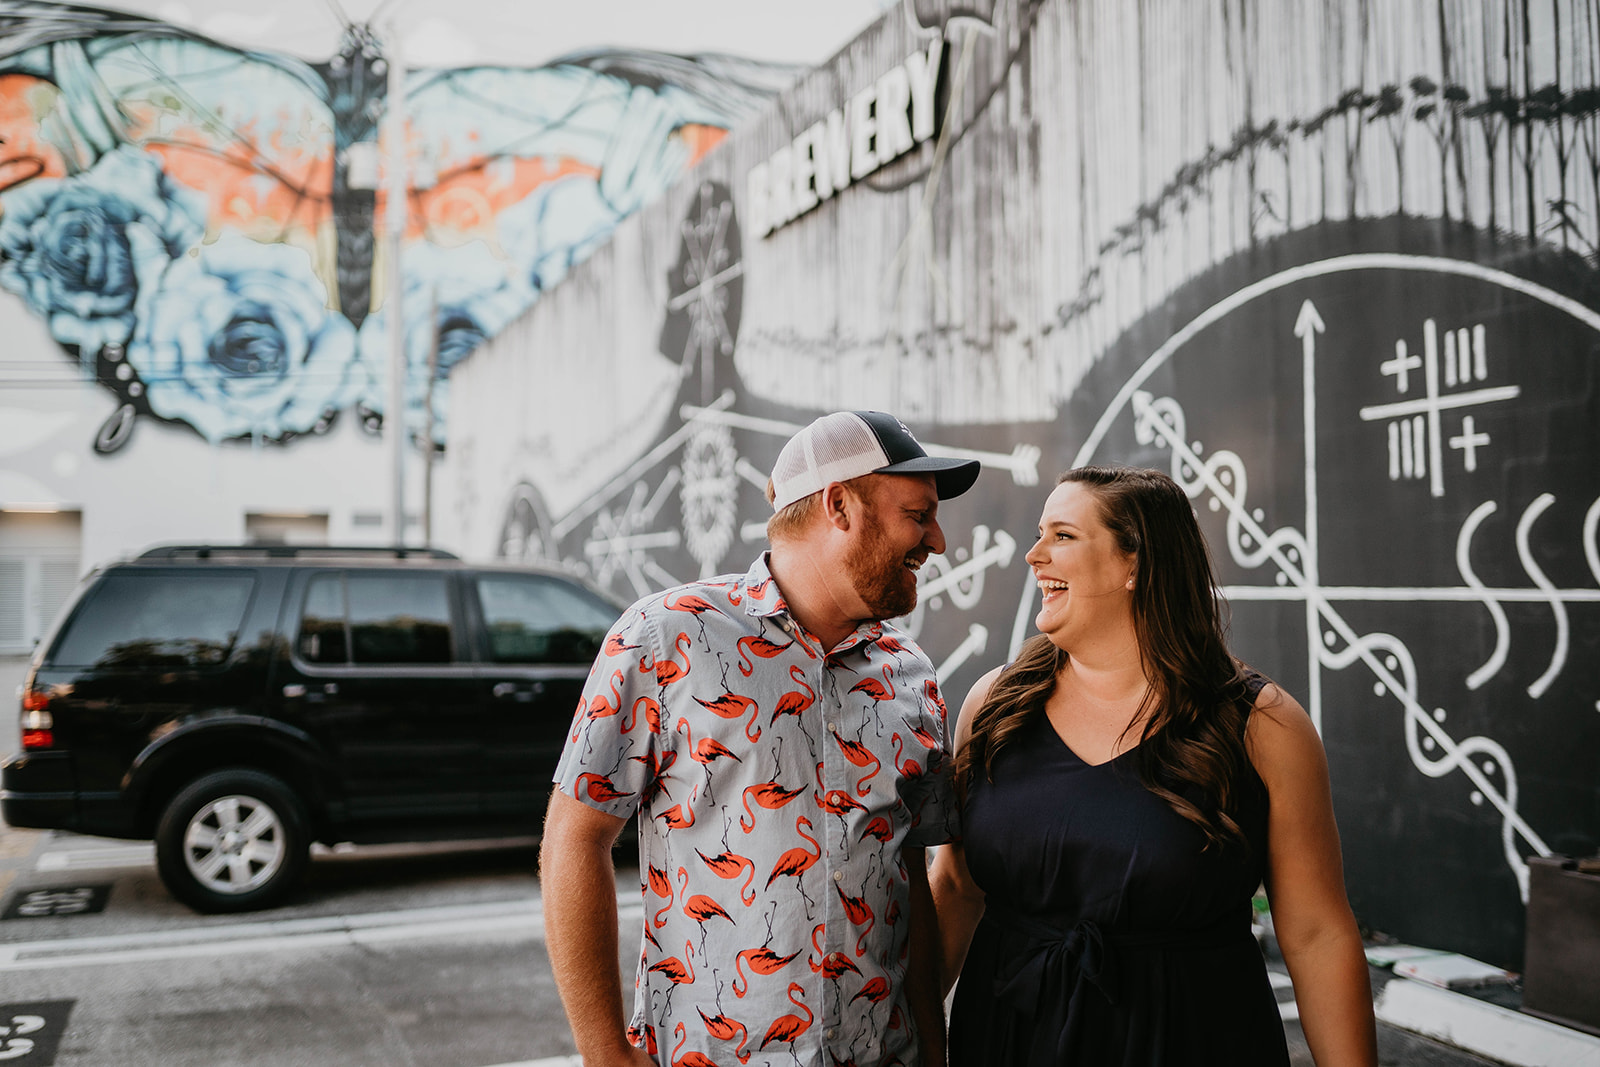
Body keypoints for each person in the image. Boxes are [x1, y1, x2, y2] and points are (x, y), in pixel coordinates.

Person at [540, 410, 980, 1066]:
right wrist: (606, 1055)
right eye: (918, 515)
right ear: (839, 505)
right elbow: (574, 838)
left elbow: (907, 875)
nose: (937, 541)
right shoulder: (664, 637)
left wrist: (932, 1046)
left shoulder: (910, 675)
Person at [929, 466, 1378, 1066]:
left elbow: (1317, 934)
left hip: (1191, 1042)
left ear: (1134, 563)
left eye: (1063, 535)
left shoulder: (1262, 725)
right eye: (1040, 534)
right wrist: (903, 1039)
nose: (1034, 555)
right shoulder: (994, 705)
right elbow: (956, 886)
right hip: (1009, 1040)